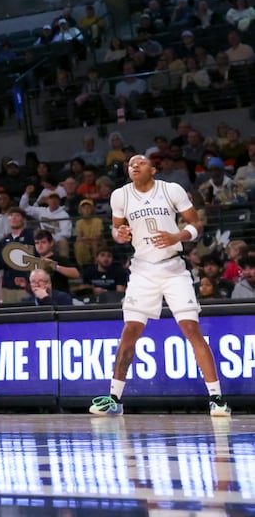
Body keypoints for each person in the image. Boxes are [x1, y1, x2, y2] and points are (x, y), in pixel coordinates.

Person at [89, 154, 231, 417]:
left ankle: (216, 398)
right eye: (130, 164)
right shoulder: (120, 195)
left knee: (191, 328)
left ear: (152, 169)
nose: (134, 166)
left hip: (173, 267)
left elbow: (195, 224)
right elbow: (116, 229)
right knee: (129, 331)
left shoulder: (171, 189)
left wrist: (177, 235)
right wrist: (118, 234)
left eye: (140, 163)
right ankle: (113, 399)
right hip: (142, 269)